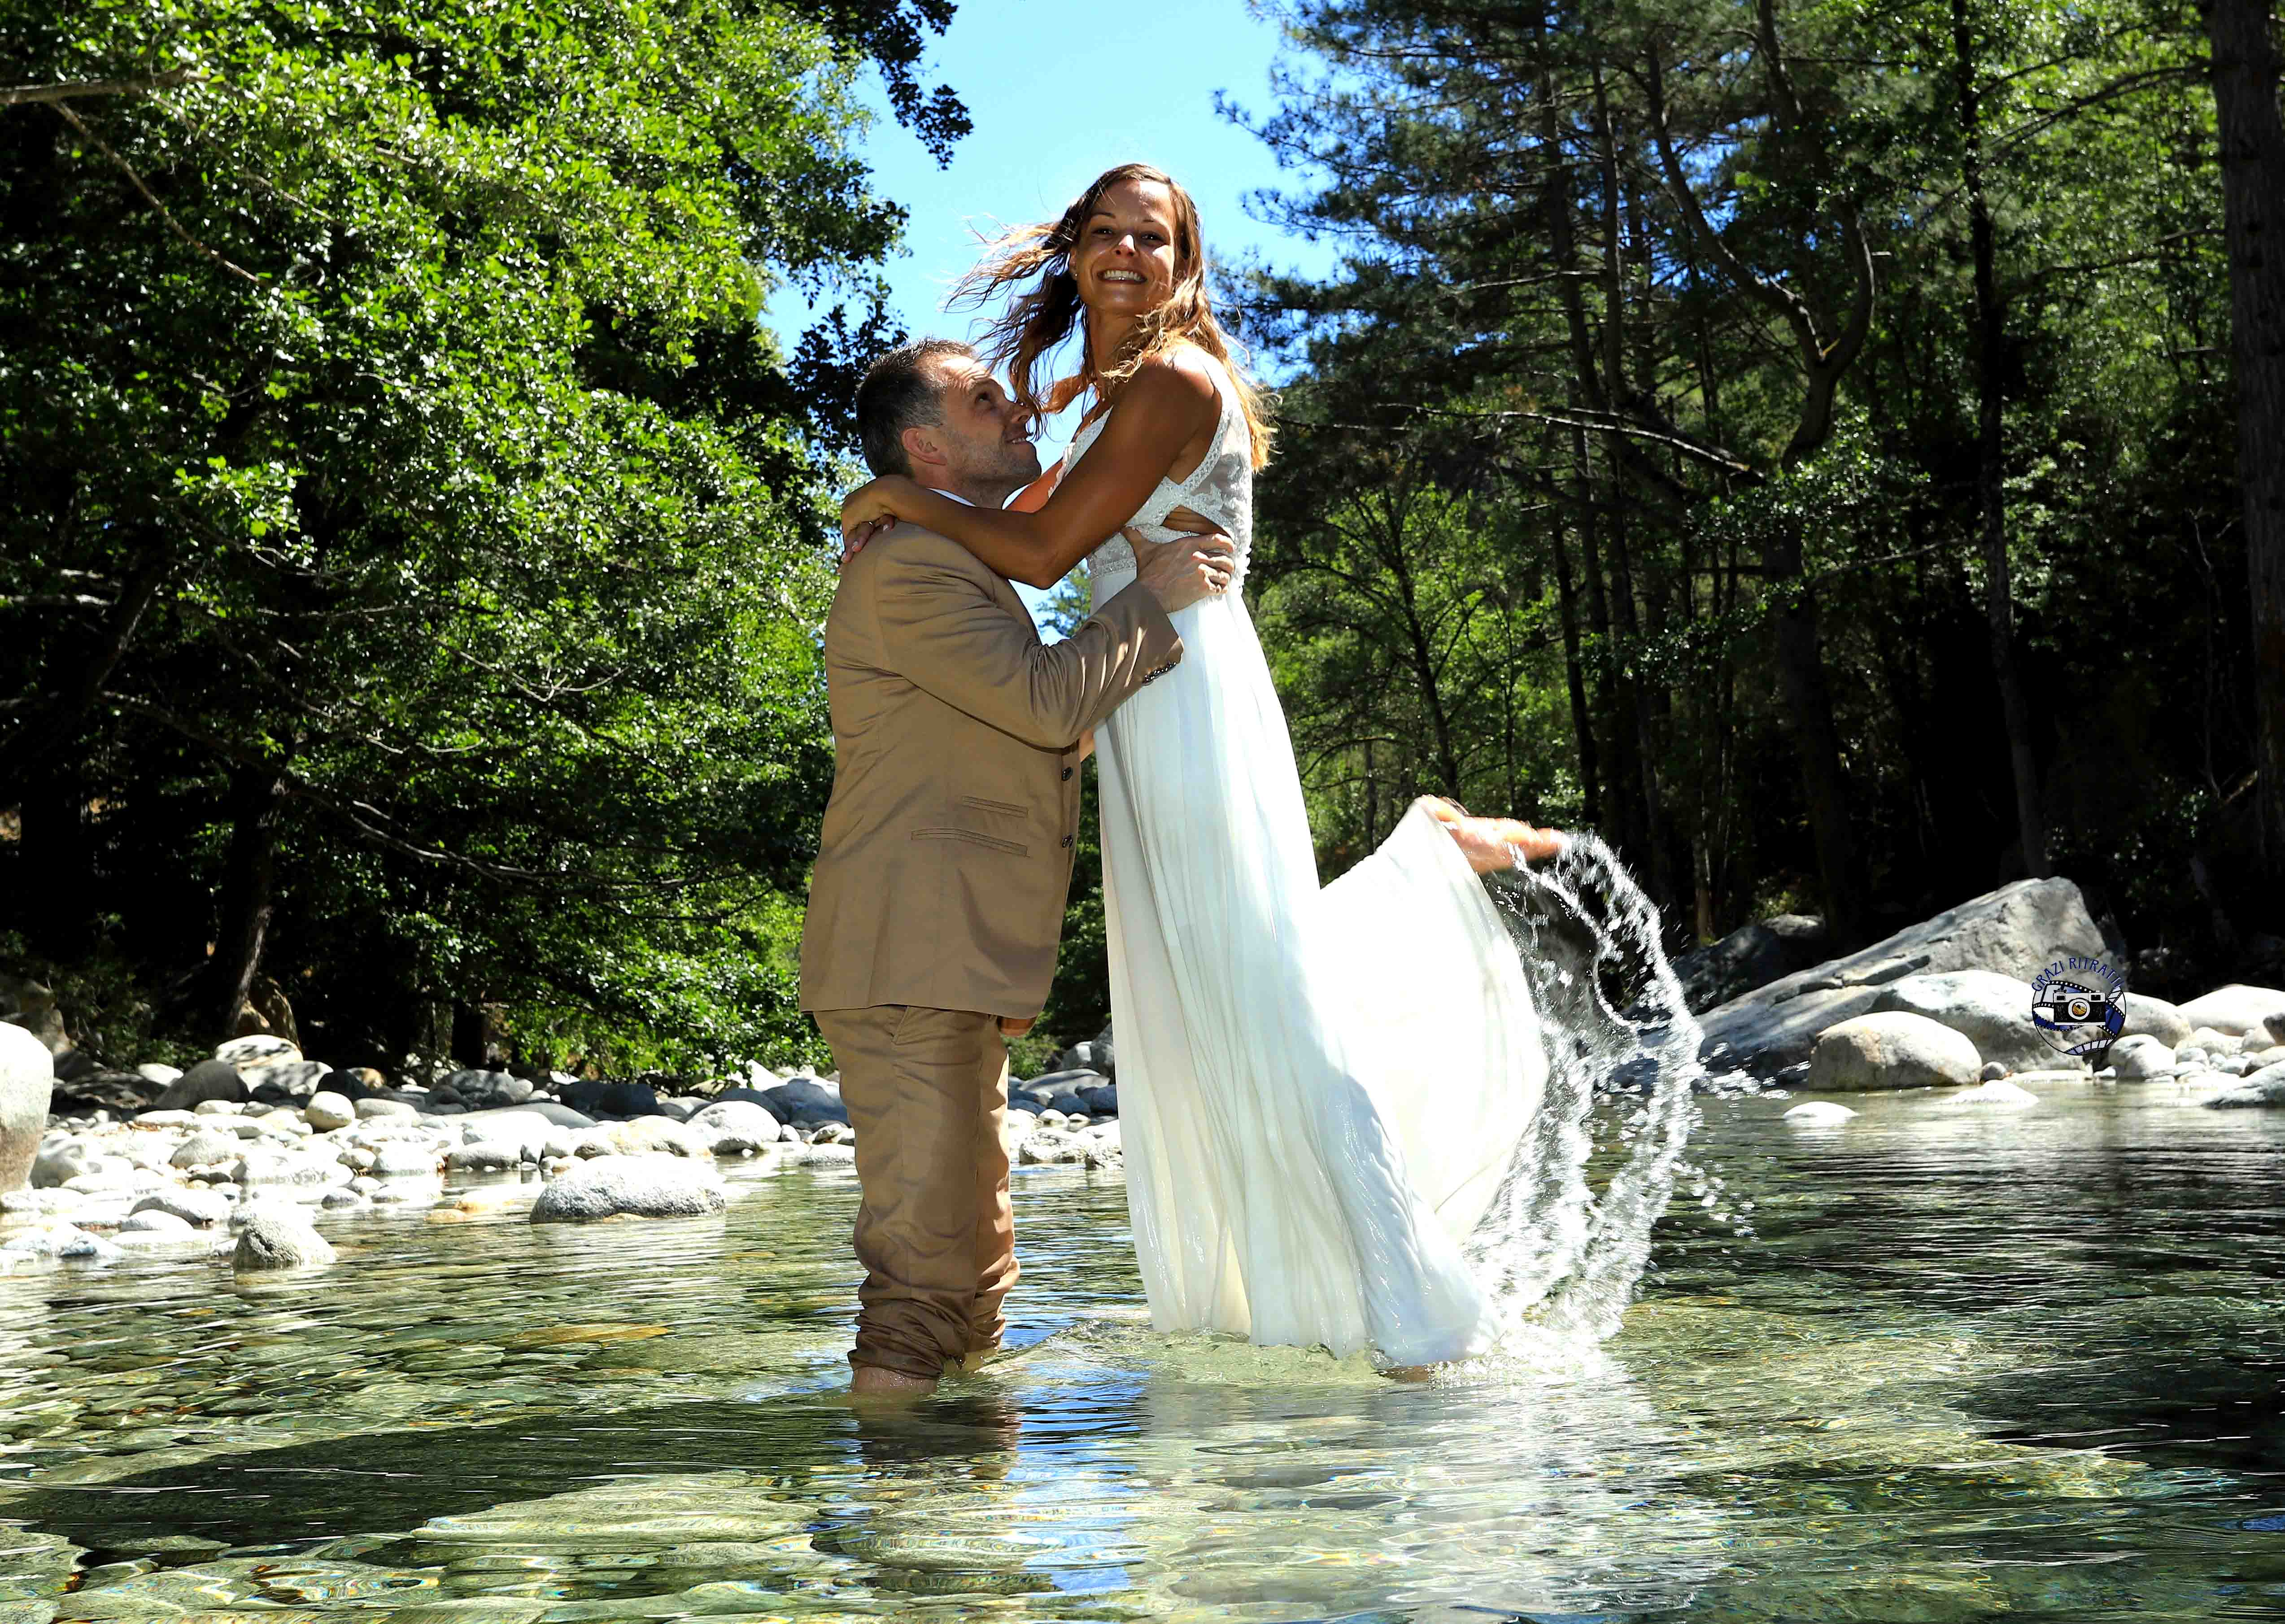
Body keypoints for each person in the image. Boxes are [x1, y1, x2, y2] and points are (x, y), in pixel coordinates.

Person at [839, 163, 1570, 1371]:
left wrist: (893, 498)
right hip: (1146, 693)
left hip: (1181, 691)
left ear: (1183, 265)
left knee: (1261, 993)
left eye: (1155, 238)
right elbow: (1039, 526)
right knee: (1223, 980)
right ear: (1073, 250)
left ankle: (1408, 1313)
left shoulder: (1172, 382)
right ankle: (1293, 1288)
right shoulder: (1115, 391)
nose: (1128, 252)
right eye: (1107, 234)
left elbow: (1036, 551)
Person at [801, 336, 1238, 1397]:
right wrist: (1153, 596)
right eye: (985, 400)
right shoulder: (907, 568)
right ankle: (911, 1540)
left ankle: (966, 1522)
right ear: (924, 446)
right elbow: (1046, 701)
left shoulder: (947, 562)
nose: (1017, 410)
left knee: (974, 1270)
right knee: (925, 1279)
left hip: (946, 966)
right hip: (910, 956)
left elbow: (1031, 735)